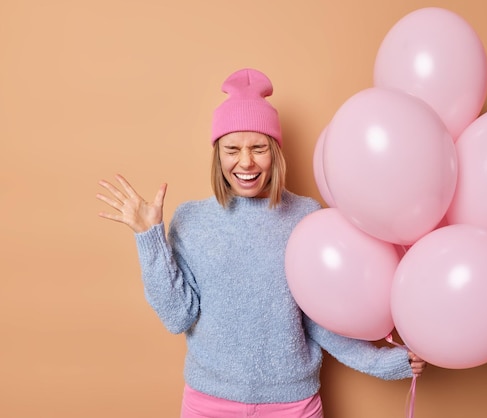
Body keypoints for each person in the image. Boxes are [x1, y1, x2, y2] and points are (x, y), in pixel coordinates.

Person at [97, 68, 425, 418]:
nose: (246, 162)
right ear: (218, 155)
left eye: (258, 148)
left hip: (292, 404)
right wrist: (149, 238)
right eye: (232, 149)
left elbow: (322, 320)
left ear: (275, 152)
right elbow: (179, 316)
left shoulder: (306, 217)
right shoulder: (191, 221)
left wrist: (383, 362)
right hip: (209, 403)